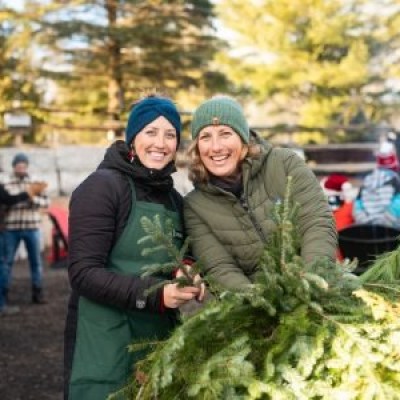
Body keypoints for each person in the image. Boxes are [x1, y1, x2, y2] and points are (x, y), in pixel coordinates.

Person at [64, 95, 204, 400]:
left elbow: (180, 256)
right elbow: (83, 273)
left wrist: (188, 270)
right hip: (103, 337)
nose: (161, 143)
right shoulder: (103, 187)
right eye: (150, 132)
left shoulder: (172, 198)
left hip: (156, 336)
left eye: (170, 135)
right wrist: (155, 295)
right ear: (133, 138)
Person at [184, 96, 337, 290]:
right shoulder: (195, 206)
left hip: (316, 288)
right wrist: (261, 304)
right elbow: (220, 268)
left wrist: (311, 282)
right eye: (206, 137)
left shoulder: (284, 164)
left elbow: (317, 222)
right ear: (197, 148)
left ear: (244, 140)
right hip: (259, 304)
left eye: (225, 134)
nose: (216, 146)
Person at [2, 153, 49, 305]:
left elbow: (45, 203)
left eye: (23, 165)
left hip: (32, 227)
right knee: (7, 262)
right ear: (14, 167)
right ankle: (4, 294)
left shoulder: (36, 183)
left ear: (27, 166)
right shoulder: (7, 183)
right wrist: (25, 197)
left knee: (36, 262)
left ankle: (38, 293)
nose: (21, 168)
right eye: (18, 166)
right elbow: (6, 202)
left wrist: (32, 198)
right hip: (11, 228)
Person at [353, 141, 400, 228]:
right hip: (391, 229)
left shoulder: (367, 180)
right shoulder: (396, 181)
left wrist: (364, 222)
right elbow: (397, 204)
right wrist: (384, 222)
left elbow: (357, 205)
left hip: (366, 228)